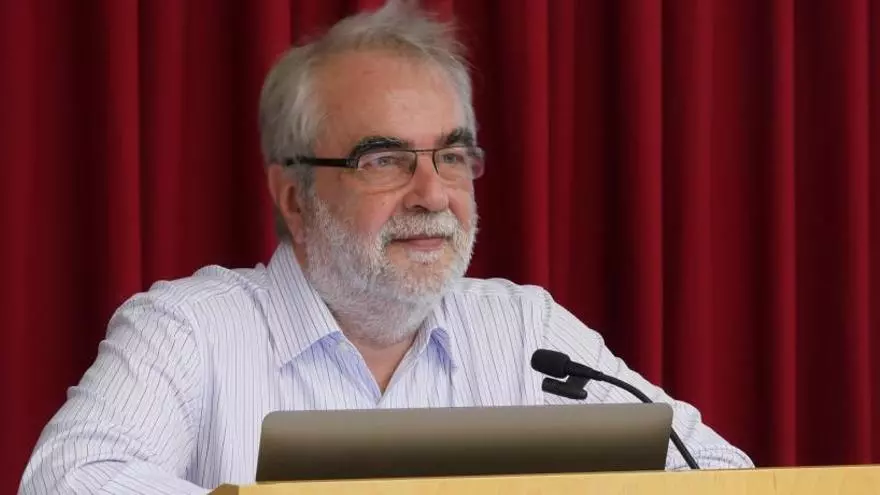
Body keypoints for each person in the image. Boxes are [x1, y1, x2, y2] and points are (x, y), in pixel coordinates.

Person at [20, 2, 753, 493]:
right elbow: (69, 478)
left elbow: (718, 470)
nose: (433, 194)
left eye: (452, 156)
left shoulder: (525, 331)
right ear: (294, 195)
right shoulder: (190, 328)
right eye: (384, 160)